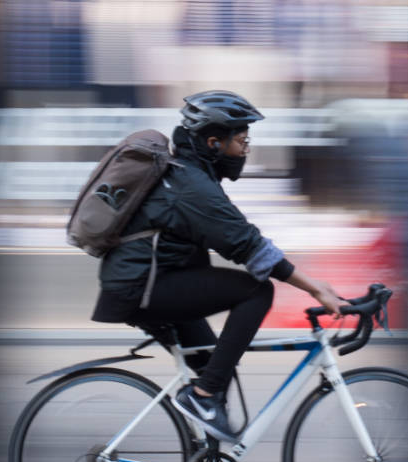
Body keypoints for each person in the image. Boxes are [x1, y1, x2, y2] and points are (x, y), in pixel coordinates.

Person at [91, 90, 348, 443]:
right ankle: (204, 398)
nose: (246, 147)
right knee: (257, 290)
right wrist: (315, 288)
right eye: (241, 139)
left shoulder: (191, 176)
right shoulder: (190, 186)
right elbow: (247, 245)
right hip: (142, 287)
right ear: (214, 142)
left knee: (215, 367)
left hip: (151, 283)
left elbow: (237, 239)